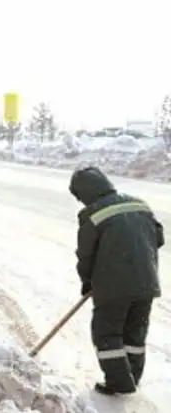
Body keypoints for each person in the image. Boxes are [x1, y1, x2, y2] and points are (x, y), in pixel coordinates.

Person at [70, 166, 163, 395]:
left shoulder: (92, 214)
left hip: (113, 287)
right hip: (146, 282)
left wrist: (87, 280)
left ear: (85, 192)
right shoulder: (139, 203)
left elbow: (86, 255)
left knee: (106, 332)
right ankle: (132, 376)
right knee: (135, 332)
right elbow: (158, 237)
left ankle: (119, 382)